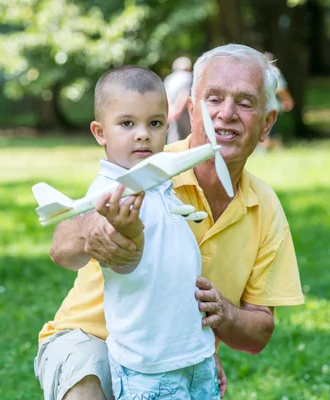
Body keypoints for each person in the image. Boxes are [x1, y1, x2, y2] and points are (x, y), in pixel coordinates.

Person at [35, 44, 305, 400]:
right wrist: (91, 232)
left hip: (172, 356)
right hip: (88, 336)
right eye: (213, 99)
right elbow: (60, 247)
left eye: (244, 102)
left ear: (267, 123)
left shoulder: (265, 206)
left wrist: (219, 319)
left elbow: (258, 333)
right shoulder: (149, 164)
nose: (226, 114)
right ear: (191, 111)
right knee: (87, 388)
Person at [65, 65, 219, 399]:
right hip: (148, 366)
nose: (143, 134)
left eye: (155, 123)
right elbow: (120, 262)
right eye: (126, 124)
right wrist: (125, 232)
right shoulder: (111, 194)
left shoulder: (158, 180)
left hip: (192, 353)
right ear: (99, 132)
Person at [258, 52, 295, 151]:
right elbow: (281, 89)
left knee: (265, 131)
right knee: (269, 131)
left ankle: (268, 148)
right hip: (271, 108)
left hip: (259, 108)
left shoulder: (255, 72)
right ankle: (274, 147)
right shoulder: (273, 72)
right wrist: (287, 100)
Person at [165, 56, 193, 144]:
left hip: (171, 114)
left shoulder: (169, 79)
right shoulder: (189, 77)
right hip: (185, 114)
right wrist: (178, 110)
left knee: (173, 138)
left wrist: (171, 111)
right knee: (189, 139)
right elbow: (185, 94)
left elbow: (165, 96)